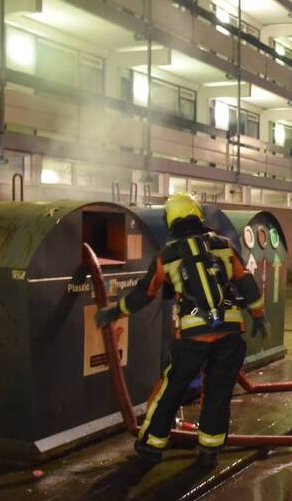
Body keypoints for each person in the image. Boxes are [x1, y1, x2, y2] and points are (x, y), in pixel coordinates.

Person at [95, 192, 267, 467]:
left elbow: (144, 293)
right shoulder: (223, 245)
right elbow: (245, 282)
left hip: (193, 338)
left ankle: (152, 444)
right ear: (198, 216)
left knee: (172, 388)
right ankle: (209, 449)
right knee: (219, 392)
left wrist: (113, 312)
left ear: (171, 220)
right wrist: (258, 316)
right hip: (231, 334)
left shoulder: (168, 256)